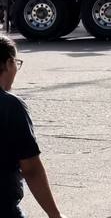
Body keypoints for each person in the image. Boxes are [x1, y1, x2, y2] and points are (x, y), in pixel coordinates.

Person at [0, 35, 66, 218]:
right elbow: (31, 169)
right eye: (16, 63)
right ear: (7, 63)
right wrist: (55, 215)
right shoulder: (10, 106)